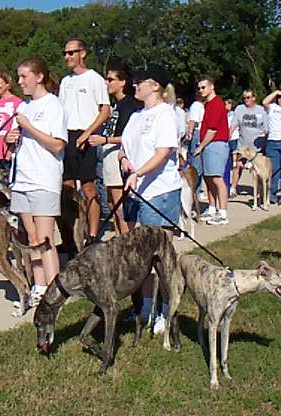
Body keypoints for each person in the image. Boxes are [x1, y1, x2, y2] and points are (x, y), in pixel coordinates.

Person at [118, 64, 182, 334]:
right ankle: (145, 307)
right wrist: (123, 160)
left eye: (141, 80)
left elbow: (163, 152)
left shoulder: (165, 115)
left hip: (160, 192)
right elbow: (124, 146)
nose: (135, 84)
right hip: (135, 192)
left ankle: (166, 311)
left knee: (160, 259)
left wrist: (139, 172)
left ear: (155, 86)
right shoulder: (135, 115)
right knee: (139, 258)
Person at [5, 58, 67, 307]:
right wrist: (12, 139)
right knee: (31, 237)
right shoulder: (24, 107)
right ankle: (39, 286)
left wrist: (29, 127)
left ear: (39, 77)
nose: (19, 82)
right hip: (22, 179)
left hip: (44, 178)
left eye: (23, 77)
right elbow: (19, 144)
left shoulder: (53, 105)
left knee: (44, 238)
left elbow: (57, 144)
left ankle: (55, 290)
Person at [58, 37, 110, 244]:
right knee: (67, 187)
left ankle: (93, 234)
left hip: (86, 135)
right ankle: (70, 236)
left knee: (88, 187)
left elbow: (105, 110)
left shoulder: (94, 79)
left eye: (71, 52)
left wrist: (88, 134)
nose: (67, 57)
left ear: (83, 53)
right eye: (65, 53)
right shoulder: (65, 81)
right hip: (68, 136)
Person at [88, 62, 141, 234]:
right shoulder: (117, 105)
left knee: (120, 206)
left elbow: (130, 136)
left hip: (118, 155)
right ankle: (120, 238)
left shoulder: (130, 105)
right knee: (112, 203)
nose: (107, 83)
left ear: (122, 82)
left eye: (111, 79)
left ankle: (126, 242)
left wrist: (105, 139)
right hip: (108, 157)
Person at [194, 76, 230, 225]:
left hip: (216, 144)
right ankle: (212, 208)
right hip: (208, 144)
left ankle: (222, 213)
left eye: (204, 87)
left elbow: (213, 129)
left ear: (212, 87)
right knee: (208, 178)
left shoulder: (216, 103)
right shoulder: (208, 104)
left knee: (217, 178)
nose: (201, 90)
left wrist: (201, 146)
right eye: (200, 88)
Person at [230, 89, 267, 196]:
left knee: (258, 169)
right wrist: (229, 134)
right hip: (243, 144)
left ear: (254, 98)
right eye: (244, 98)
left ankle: (260, 190)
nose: (246, 100)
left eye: (248, 97)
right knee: (238, 165)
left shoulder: (261, 110)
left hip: (257, 146)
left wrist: (265, 136)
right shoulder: (239, 109)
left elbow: (266, 127)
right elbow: (233, 125)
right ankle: (233, 187)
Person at [0, 71, 23, 170]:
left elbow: (18, 129)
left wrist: (10, 151)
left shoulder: (18, 103)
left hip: (8, 151)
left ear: (8, 84)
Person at [186, 93, 205, 198]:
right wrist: (190, 133)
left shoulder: (202, 105)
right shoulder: (196, 105)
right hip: (197, 134)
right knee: (196, 165)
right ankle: (194, 192)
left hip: (201, 133)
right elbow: (193, 120)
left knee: (200, 165)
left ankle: (198, 190)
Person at [223, 98, 239, 192]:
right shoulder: (223, 114)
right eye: (225, 103)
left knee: (235, 164)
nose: (226, 105)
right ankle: (226, 184)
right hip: (225, 140)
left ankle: (233, 186)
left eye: (228, 103)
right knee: (226, 163)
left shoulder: (234, 115)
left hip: (234, 138)